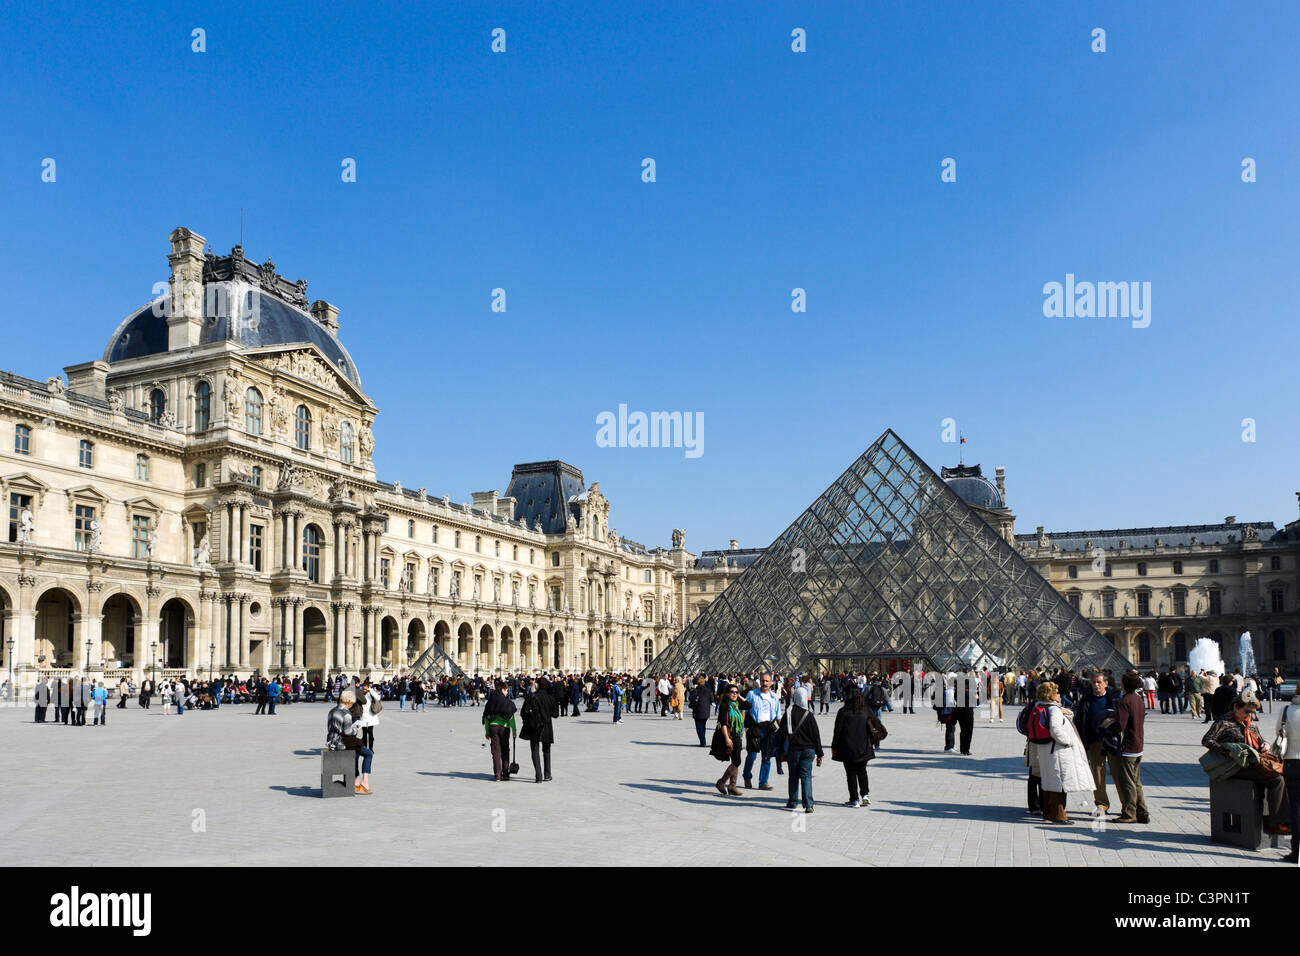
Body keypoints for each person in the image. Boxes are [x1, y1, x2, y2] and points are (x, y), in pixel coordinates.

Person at [1201, 691, 1290, 836]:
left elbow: (1261, 740)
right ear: (1236, 707)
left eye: (1252, 712)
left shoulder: (1250, 723)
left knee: (1282, 774)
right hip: (1234, 766)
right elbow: (1207, 740)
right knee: (1276, 779)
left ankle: (1279, 821)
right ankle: (1276, 823)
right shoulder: (1224, 722)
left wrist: (1265, 745)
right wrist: (1228, 751)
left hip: (1253, 763)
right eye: (1246, 711)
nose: (1249, 715)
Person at [1030, 682, 1093, 824]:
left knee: (1049, 783)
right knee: (1060, 784)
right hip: (1058, 751)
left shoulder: (1040, 706)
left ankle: (1048, 812)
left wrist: (1064, 711)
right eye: (1056, 692)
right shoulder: (1054, 710)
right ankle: (1059, 815)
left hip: (1046, 749)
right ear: (1051, 695)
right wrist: (1068, 741)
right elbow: (1056, 729)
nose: (1059, 694)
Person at [1074, 671, 1121, 818]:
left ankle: (1126, 804)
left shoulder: (1114, 698)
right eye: (1093, 682)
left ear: (1106, 683)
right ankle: (1101, 804)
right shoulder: (1086, 699)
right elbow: (1079, 720)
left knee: (1118, 773)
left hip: (1112, 740)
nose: (1096, 685)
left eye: (1099, 682)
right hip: (1094, 740)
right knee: (1097, 774)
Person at [1112, 671, 1150, 823]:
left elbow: (1120, 725)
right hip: (1138, 743)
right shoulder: (1139, 699)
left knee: (1127, 781)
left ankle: (1129, 813)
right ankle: (1142, 811)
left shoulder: (1125, 701)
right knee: (1136, 781)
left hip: (1128, 746)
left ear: (1123, 684)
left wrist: (1107, 728)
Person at [780, 685, 824, 812]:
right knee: (806, 776)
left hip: (793, 750)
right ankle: (808, 804)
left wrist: (781, 750)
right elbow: (816, 735)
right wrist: (820, 752)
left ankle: (793, 802)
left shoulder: (788, 713)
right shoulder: (808, 715)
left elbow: (783, 733)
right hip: (808, 750)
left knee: (793, 776)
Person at [831, 685, 875, 808]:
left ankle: (854, 799)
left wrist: (834, 746)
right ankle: (865, 795)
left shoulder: (843, 712)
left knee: (850, 773)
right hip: (864, 746)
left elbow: (837, 731)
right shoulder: (865, 710)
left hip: (848, 747)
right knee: (862, 770)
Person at [327, 689, 373, 794]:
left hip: (331, 741)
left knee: (356, 753)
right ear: (348, 702)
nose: (351, 706)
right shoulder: (346, 713)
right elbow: (348, 732)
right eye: (351, 704)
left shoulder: (332, 710)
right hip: (340, 743)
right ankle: (364, 781)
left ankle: (356, 781)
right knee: (368, 753)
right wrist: (356, 729)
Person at [743, 672, 782, 790]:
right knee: (752, 755)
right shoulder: (752, 694)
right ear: (760, 681)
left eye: (767, 681)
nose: (765, 683)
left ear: (771, 683)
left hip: (769, 729)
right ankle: (747, 776)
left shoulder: (774, 697)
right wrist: (743, 727)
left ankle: (763, 782)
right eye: (763, 681)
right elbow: (744, 710)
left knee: (767, 757)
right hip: (755, 728)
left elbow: (778, 716)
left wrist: (784, 730)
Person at [1274, 687, 1300, 862]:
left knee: (1296, 808)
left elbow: (1279, 733)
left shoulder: (1286, 710)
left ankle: (1296, 852)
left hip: (1292, 762)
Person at [520, 677, 558, 782]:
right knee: (546, 750)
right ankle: (547, 774)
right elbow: (555, 715)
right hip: (547, 726)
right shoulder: (550, 698)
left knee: (535, 750)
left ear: (538, 685)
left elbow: (523, 712)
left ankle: (538, 776)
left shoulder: (532, 697)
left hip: (535, 726)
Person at [714, 683, 746, 797]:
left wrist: (740, 696)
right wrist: (727, 739)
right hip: (731, 736)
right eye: (732, 692)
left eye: (736, 692)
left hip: (737, 735)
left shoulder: (736, 704)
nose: (734, 694)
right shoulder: (725, 705)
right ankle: (721, 782)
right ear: (727, 693)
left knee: (735, 761)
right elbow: (723, 724)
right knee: (737, 761)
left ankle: (732, 786)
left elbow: (749, 705)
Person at [483, 680, 518, 782]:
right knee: (505, 750)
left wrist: (487, 731)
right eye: (506, 690)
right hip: (504, 728)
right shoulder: (507, 702)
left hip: (493, 727)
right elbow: (511, 717)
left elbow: (486, 718)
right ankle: (506, 773)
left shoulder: (490, 701)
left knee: (496, 752)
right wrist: (514, 731)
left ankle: (497, 775)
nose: (507, 692)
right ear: (502, 689)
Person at [689, 675, 714, 746]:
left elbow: (691, 699)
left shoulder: (695, 690)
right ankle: (702, 740)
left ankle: (703, 741)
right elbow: (712, 699)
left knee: (699, 727)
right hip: (706, 711)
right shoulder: (708, 690)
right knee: (703, 726)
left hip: (697, 711)